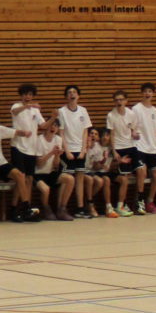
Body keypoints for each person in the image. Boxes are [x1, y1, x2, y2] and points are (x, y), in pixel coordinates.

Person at [9, 84, 52, 222]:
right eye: (25, 94)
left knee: (28, 179)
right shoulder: (16, 106)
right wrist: (28, 106)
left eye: (30, 94)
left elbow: (43, 125)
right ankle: (18, 207)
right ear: (21, 95)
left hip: (31, 148)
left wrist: (53, 117)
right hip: (18, 147)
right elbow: (15, 112)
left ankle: (25, 209)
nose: (27, 97)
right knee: (20, 177)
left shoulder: (35, 111)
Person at [56, 87, 93, 218]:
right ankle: (61, 208)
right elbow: (61, 133)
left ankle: (80, 208)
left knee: (80, 179)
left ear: (78, 96)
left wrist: (83, 150)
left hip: (80, 150)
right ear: (66, 96)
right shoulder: (61, 111)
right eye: (69, 93)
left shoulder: (83, 110)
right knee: (66, 179)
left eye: (74, 92)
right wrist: (66, 151)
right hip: (68, 151)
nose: (72, 94)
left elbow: (85, 131)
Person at [129, 85, 156, 214]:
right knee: (142, 172)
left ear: (153, 93)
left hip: (152, 148)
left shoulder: (155, 111)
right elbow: (131, 126)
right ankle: (139, 202)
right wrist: (133, 132)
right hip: (139, 146)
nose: (147, 94)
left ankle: (150, 202)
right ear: (141, 93)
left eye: (150, 91)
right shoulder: (136, 109)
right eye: (145, 92)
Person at [105, 91, 139, 215]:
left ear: (126, 100)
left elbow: (133, 129)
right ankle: (121, 205)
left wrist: (134, 134)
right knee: (123, 178)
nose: (119, 102)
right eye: (116, 100)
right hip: (119, 148)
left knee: (140, 170)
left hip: (131, 147)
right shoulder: (111, 115)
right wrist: (114, 151)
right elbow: (111, 134)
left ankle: (137, 202)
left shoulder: (131, 114)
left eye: (121, 99)